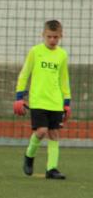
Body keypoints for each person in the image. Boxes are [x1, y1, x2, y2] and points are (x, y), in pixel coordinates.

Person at [13, 20, 72, 180]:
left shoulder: (62, 55)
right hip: (38, 100)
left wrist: (66, 102)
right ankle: (29, 156)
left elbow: (64, 79)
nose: (52, 40)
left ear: (60, 36)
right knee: (41, 132)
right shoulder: (35, 51)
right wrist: (19, 97)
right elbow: (24, 74)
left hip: (55, 101)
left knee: (54, 134)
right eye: (49, 36)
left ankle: (51, 169)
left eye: (55, 37)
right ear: (43, 35)